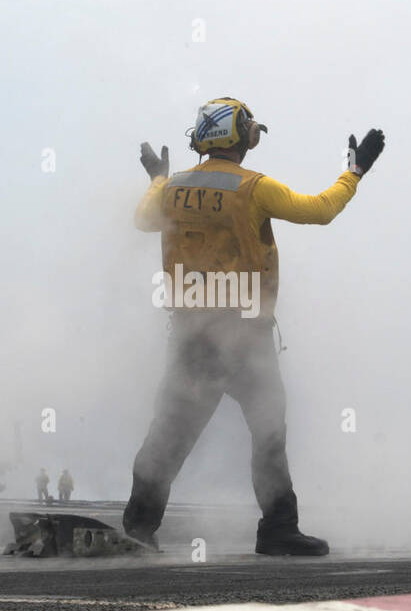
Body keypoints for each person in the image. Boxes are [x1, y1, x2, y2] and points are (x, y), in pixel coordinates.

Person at [126, 97, 385, 554]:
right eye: (252, 129)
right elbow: (320, 209)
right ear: (241, 135)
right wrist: (355, 171)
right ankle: (279, 529)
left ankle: (137, 529)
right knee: (268, 433)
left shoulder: (173, 190)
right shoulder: (254, 188)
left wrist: (158, 178)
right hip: (244, 334)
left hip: (190, 332)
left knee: (169, 432)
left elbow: (143, 219)